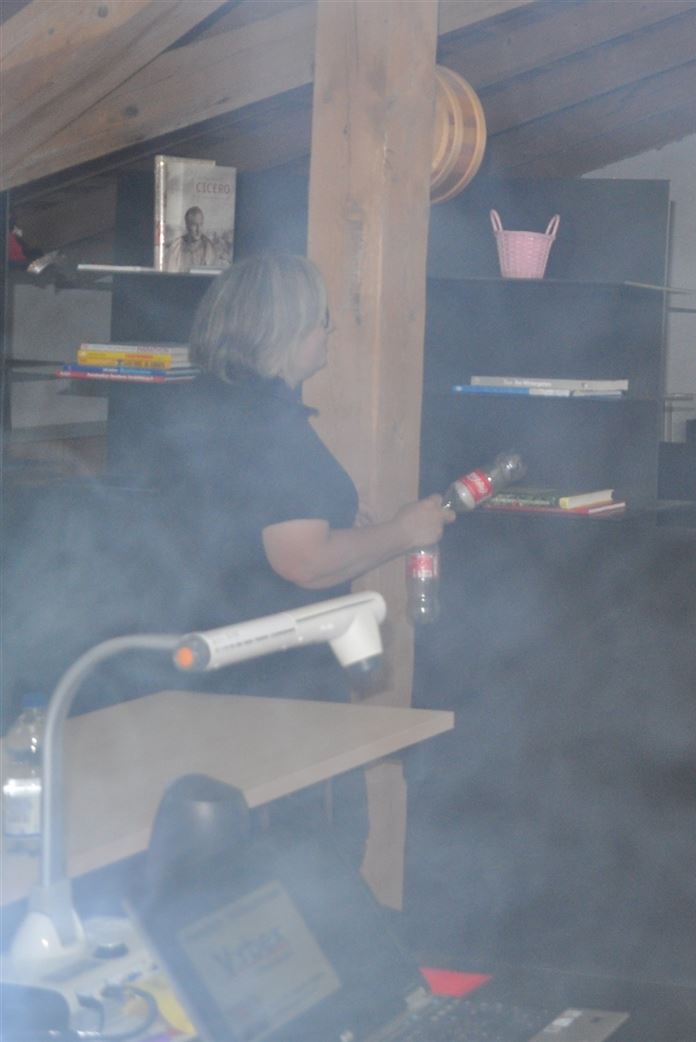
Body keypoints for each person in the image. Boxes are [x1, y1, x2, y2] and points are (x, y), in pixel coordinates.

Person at [148, 254, 453, 867]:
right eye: (320, 320)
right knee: (305, 860)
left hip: (206, 675)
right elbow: (303, 563)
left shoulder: (207, 405)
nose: (328, 331)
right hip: (268, 689)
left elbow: (247, 533)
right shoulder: (266, 424)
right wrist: (404, 531)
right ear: (282, 331)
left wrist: (343, 526)